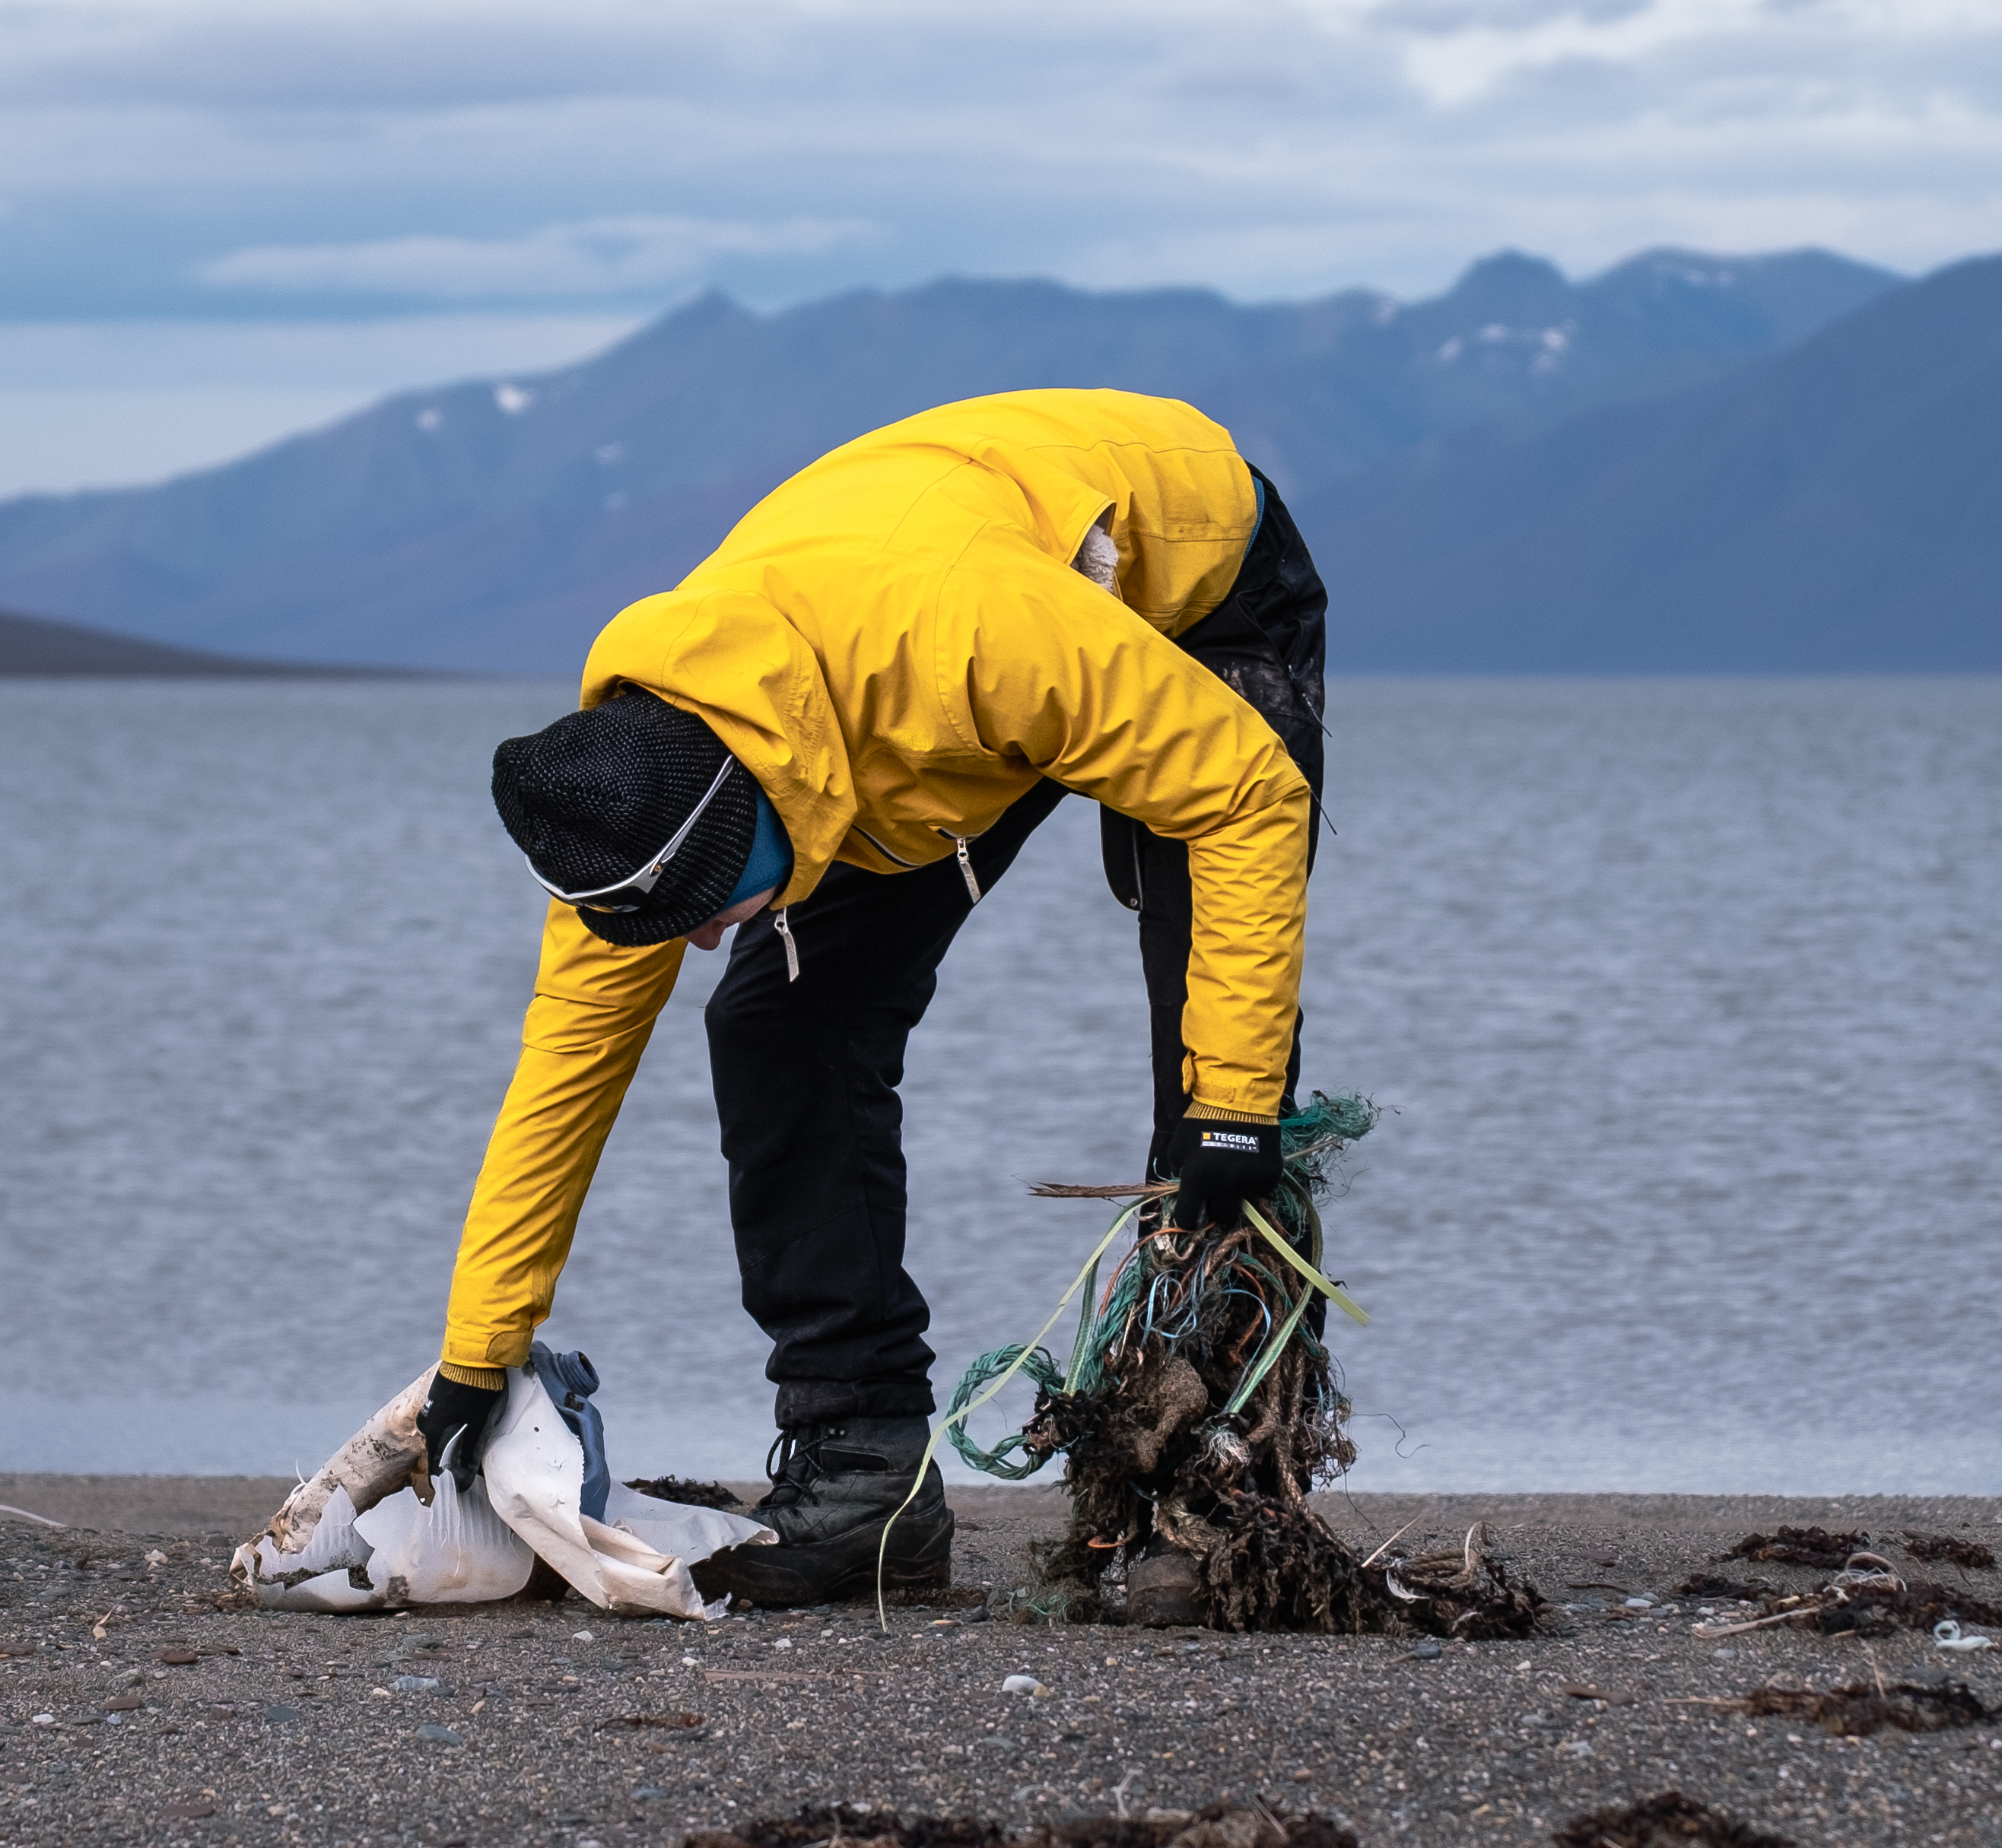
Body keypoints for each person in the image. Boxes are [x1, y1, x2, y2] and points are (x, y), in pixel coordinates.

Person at [428, 387, 1329, 1605]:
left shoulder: (976, 648)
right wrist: (473, 1363)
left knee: (1213, 1077)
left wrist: (1230, 1110)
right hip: (894, 666)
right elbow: (563, 1086)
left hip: (1190, 568)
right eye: (672, 918)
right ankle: (866, 1480)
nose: (689, 941)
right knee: (775, 1021)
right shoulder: (625, 810)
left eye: (709, 904)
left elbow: (1246, 794)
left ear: (749, 812)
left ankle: (1211, 1495)